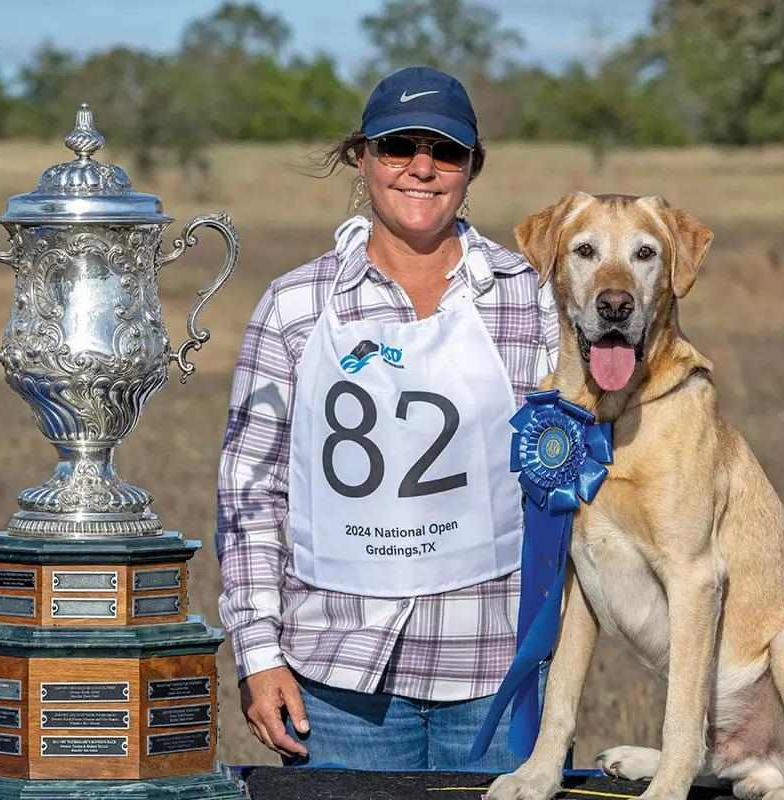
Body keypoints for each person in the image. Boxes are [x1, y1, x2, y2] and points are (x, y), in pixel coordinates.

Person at [215, 65, 558, 771]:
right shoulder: (294, 307)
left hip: (502, 675)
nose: (422, 169)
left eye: (447, 151)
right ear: (361, 157)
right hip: (336, 684)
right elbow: (250, 494)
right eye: (399, 146)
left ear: (472, 167)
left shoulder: (535, 298)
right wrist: (256, 654)